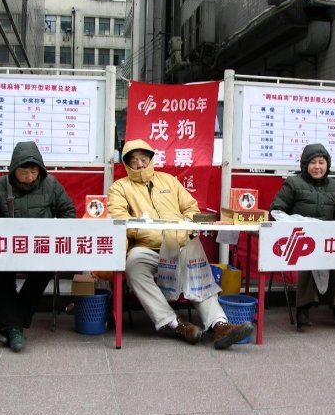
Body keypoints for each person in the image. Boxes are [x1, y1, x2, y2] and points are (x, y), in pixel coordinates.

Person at [107, 139, 254, 349]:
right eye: (134, 160)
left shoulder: (169, 180)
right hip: (146, 247)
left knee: (197, 260)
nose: (139, 164)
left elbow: (191, 207)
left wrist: (189, 223)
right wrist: (155, 231)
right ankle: (176, 324)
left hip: (180, 244)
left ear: (150, 159)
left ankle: (219, 325)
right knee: (133, 265)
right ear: (127, 164)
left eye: (143, 159)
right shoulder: (119, 187)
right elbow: (120, 219)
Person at [0, 141, 76, 352]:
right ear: (13, 170)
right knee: (1, 273)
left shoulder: (51, 184)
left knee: (44, 270)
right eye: (24, 171)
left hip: (40, 248)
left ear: (41, 169)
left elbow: (69, 213)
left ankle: (10, 326)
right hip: (8, 248)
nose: (29, 176)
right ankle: (14, 327)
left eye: (34, 171)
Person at [269, 143, 335, 330]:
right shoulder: (293, 183)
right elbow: (276, 210)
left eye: (321, 162)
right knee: (309, 257)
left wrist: (328, 230)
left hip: (326, 237)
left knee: (332, 257)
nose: (317, 166)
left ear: (327, 165)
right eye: (313, 162)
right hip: (299, 237)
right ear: (305, 165)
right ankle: (303, 308)